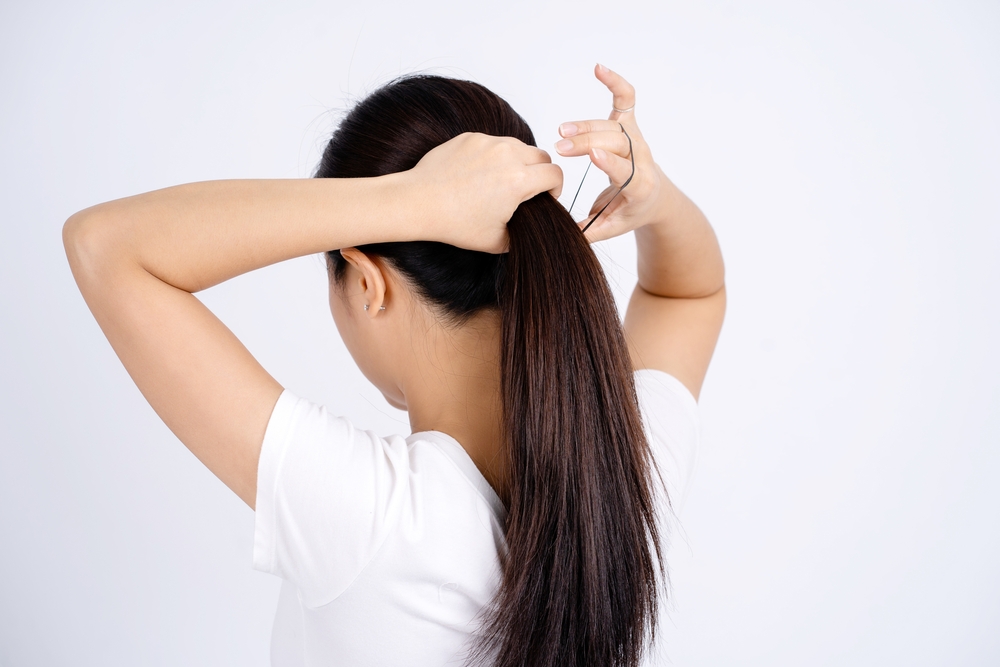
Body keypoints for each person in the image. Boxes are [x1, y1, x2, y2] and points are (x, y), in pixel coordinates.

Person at [63, 64, 725, 667]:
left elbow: (106, 246)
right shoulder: (624, 472)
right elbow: (688, 294)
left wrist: (415, 202)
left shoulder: (376, 524)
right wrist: (656, 200)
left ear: (367, 283)